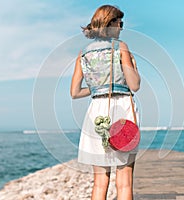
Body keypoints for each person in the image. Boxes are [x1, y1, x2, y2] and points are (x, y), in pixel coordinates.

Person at [70, 5, 140, 200]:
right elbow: (134, 85)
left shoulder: (83, 54)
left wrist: (96, 89)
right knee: (124, 180)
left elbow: (74, 93)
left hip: (96, 112)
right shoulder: (121, 47)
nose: (121, 28)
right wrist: (134, 66)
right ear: (111, 23)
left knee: (100, 181)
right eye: (120, 23)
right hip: (122, 108)